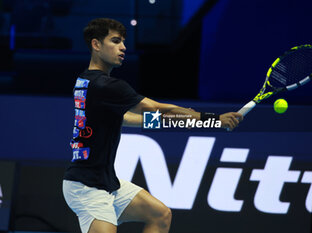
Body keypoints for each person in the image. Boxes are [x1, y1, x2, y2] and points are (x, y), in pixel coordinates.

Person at [62, 18, 243, 233]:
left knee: (160, 214)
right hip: (86, 187)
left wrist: (198, 122)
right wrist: (211, 119)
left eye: (123, 42)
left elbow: (139, 120)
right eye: (116, 41)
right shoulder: (106, 86)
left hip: (107, 182)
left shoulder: (85, 81)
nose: (123, 47)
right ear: (96, 44)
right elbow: (155, 108)